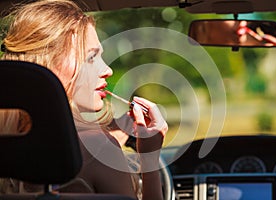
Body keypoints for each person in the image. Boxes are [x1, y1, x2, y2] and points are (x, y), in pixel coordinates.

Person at [0, 0, 168, 200]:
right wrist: (149, 161)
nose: (108, 70)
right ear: (48, 64)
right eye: (91, 57)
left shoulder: (7, 144)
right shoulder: (99, 147)